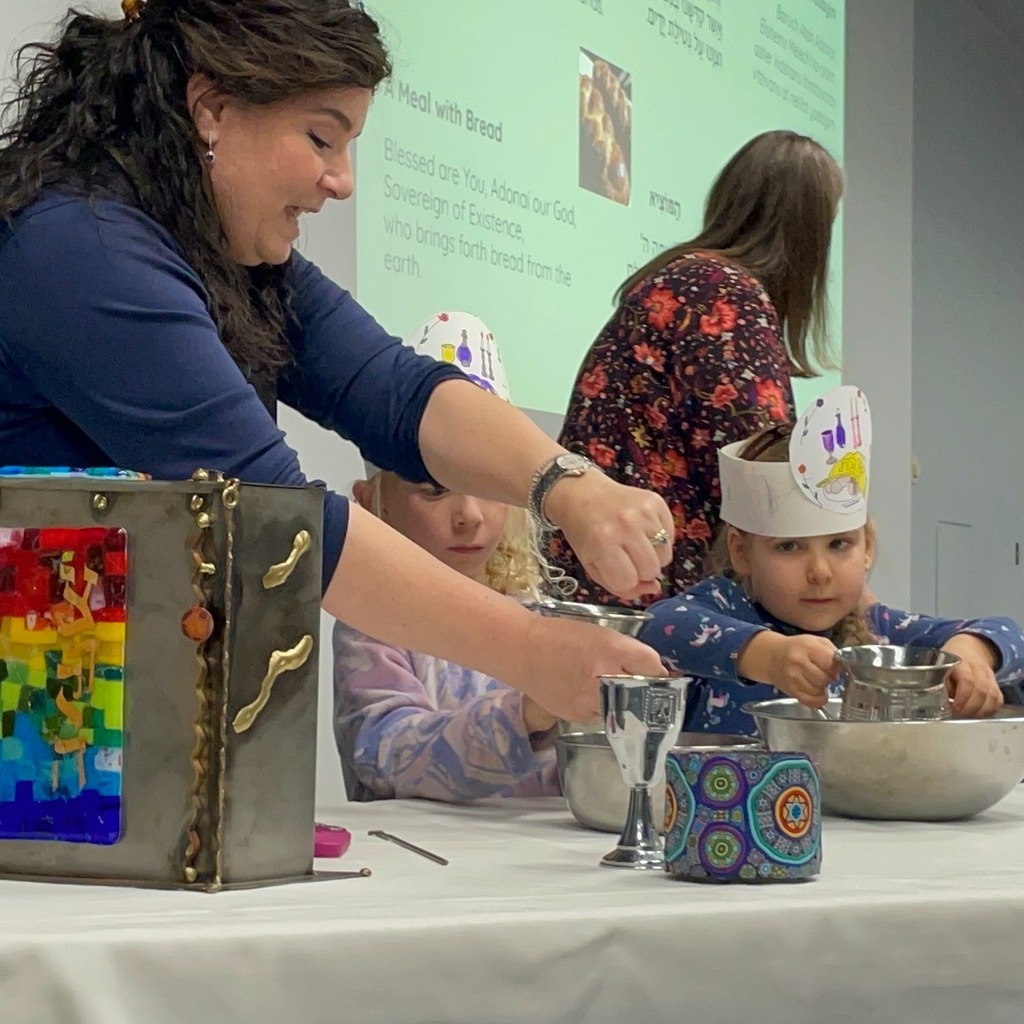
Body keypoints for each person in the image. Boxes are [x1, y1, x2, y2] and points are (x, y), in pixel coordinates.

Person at [0, 0, 677, 727]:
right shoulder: (80, 251)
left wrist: (569, 485)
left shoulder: (224, 249)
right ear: (211, 108)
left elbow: (391, 389)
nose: (343, 180)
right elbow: (271, 514)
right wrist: (532, 652)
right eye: (322, 138)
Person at [550, 129, 843, 604]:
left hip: (611, 560)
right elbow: (760, 470)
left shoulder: (681, 278)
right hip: (647, 578)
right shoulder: (726, 293)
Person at [639, 387, 1022, 737]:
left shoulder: (879, 631)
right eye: (789, 547)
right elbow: (660, 626)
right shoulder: (726, 605)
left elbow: (1008, 632)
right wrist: (769, 657)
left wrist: (973, 653)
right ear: (742, 552)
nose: (820, 572)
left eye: (839, 544)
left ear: (867, 546)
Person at [335, 312, 561, 801]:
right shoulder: (372, 620)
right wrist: (525, 715)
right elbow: (386, 755)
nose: (470, 516)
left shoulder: (534, 610)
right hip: (416, 863)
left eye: (489, 490)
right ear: (372, 501)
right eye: (434, 492)